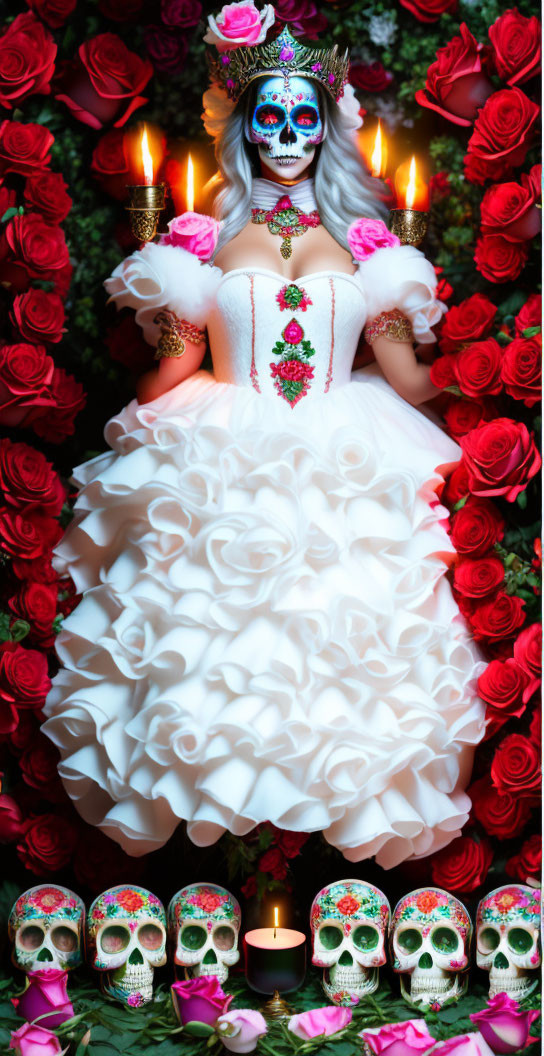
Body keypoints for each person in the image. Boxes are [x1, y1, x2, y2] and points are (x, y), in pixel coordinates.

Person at [43, 8, 485, 870]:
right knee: (211, 652)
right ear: (247, 129)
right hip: (224, 445)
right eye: (270, 117)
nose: (287, 134)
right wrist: (170, 324)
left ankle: (319, 871)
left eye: (305, 115)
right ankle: (224, 872)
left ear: (328, 128)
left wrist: (498, 376)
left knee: (349, 647)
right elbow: (167, 380)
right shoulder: (200, 242)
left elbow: (412, 385)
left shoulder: (369, 249)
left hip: (348, 449)